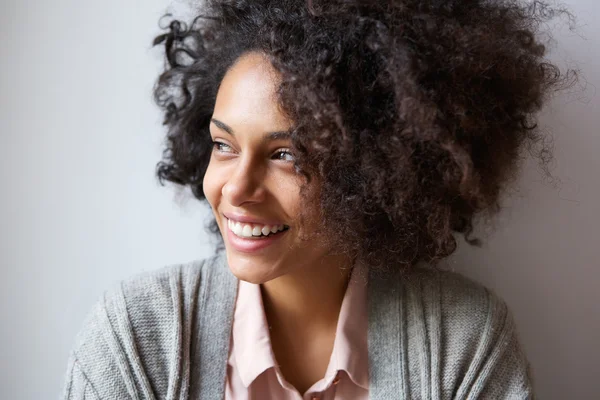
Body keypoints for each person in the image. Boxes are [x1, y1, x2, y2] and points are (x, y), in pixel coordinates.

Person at [61, 0, 577, 399]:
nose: (236, 189)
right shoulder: (135, 340)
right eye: (224, 145)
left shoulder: (463, 344)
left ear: (373, 170)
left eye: (287, 155)